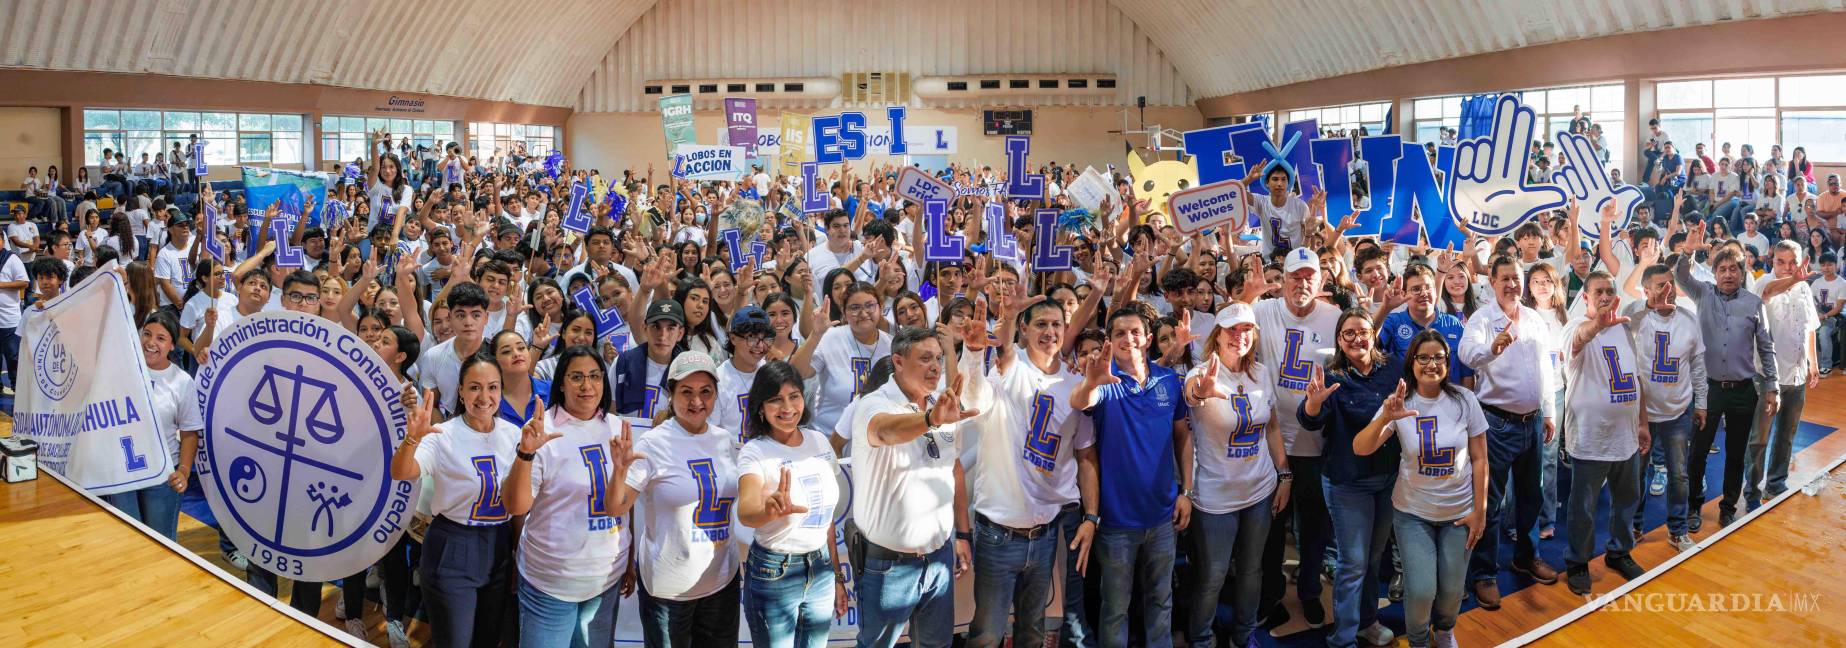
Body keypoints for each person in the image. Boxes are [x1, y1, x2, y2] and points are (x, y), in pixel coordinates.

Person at [960, 288, 1095, 648]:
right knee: (987, 634)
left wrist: (1091, 515)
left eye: (1056, 325)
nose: (1049, 331)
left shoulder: (1074, 381)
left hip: (1046, 531)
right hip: (998, 533)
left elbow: (1086, 449)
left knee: (1033, 632)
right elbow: (1003, 352)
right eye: (1040, 324)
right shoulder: (1009, 369)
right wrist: (1003, 321)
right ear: (1024, 330)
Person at [1351, 331, 1487, 648]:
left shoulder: (1465, 400)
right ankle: (1417, 641)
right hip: (1413, 512)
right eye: (1423, 357)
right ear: (1411, 362)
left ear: (1448, 362)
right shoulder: (1399, 402)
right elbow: (1361, 448)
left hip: (1459, 513)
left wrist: (1479, 510)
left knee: (1453, 589)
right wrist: (1385, 417)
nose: (1431, 364)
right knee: (1423, 589)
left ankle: (1444, 631)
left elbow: (1480, 458)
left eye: (1438, 357)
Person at [850, 326, 979, 648]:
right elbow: (885, 431)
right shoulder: (874, 403)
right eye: (925, 359)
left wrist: (963, 535)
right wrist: (930, 420)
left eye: (938, 358)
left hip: (939, 557)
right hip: (888, 564)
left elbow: (954, 470)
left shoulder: (942, 403)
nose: (935, 366)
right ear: (898, 361)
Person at [1072, 307, 1192, 648]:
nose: (1129, 338)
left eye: (1135, 332)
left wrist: (1187, 491)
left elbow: (1183, 436)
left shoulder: (1169, 380)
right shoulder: (1103, 381)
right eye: (1120, 333)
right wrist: (1091, 381)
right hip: (1116, 522)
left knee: (1161, 600)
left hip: (1163, 516)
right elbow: (1080, 400)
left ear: (1148, 339)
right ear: (1109, 341)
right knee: (1115, 608)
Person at [501, 346, 632, 648]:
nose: (587, 386)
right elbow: (516, 505)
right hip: (551, 582)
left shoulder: (617, 427)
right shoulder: (541, 430)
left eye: (595, 376)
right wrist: (525, 453)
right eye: (577, 377)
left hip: (605, 579)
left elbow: (628, 504)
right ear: (561, 383)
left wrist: (630, 558)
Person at [1237, 248, 1338, 627]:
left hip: (1316, 444)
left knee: (1314, 528)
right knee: (1271, 531)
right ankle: (1271, 595)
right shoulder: (1262, 310)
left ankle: (1310, 590)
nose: (1302, 283)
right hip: (1269, 444)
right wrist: (1248, 295)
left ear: (1321, 280)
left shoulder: (1334, 317)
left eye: (1309, 276)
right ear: (1283, 281)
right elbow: (1226, 329)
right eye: (1295, 276)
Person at [393, 354, 522, 647]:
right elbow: (401, 472)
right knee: (454, 641)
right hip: (452, 545)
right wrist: (412, 439)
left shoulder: (513, 434)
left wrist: (515, 553)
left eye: (492, 387)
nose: (484, 397)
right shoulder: (442, 435)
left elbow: (518, 503)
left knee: (488, 640)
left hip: (499, 546)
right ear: (461, 391)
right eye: (475, 387)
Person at [1182, 303, 1289, 648]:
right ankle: (1200, 639)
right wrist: (1201, 390)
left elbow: (1272, 427)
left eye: (1246, 330)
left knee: (1251, 570)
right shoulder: (1200, 373)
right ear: (1217, 335)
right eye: (1231, 329)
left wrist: (1284, 475)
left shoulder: (1262, 372)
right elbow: (1192, 393)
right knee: (1212, 576)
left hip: (1260, 490)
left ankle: (1244, 635)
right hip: (1215, 496)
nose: (1239, 336)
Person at [1457, 254, 1561, 609]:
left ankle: (1526, 557)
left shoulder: (1533, 318)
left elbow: (1545, 369)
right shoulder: (1482, 319)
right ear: (1492, 282)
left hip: (1533, 421)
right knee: (1490, 502)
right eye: (1505, 278)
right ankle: (1484, 573)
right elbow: (1466, 353)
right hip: (1497, 424)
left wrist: (1548, 411)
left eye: (1517, 278)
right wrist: (1492, 348)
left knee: (1532, 496)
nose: (1512, 284)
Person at [626, 351, 743, 646]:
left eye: (706, 392)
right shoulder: (652, 443)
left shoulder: (725, 440)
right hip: (668, 591)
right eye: (686, 392)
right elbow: (617, 507)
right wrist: (618, 472)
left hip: (722, 582)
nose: (696, 401)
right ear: (671, 393)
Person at [1300, 308, 1401, 648]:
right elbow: (1310, 421)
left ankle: (1367, 621)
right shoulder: (1332, 376)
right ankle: (1342, 638)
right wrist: (1313, 404)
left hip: (1387, 479)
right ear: (1340, 341)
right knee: (1353, 563)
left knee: (1372, 558)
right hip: (1347, 482)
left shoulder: (1393, 369)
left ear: (1373, 335)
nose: (1357, 339)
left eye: (1363, 332)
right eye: (1349, 334)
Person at [736, 360, 846, 648]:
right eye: (775, 399)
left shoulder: (819, 441)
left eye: (794, 396)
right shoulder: (755, 452)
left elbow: (827, 520)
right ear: (761, 407)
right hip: (775, 571)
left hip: (821, 568)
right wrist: (768, 510)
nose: (787, 407)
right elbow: (746, 511)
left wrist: (836, 576)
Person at [1675, 226, 1776, 530]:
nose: (1728, 274)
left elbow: (1766, 347)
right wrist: (1688, 250)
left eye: (1734, 269)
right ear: (1715, 273)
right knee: (1698, 452)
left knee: (1735, 453)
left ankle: (1728, 506)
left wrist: (1773, 387)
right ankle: (1694, 505)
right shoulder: (1703, 293)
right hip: (1708, 390)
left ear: (1742, 273)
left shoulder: (1754, 304)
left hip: (1744, 391)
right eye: (1723, 269)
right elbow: (1681, 275)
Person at [1560, 272, 1651, 594]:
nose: (1605, 296)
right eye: (1598, 291)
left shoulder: (1623, 329)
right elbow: (1578, 340)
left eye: (1610, 291)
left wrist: (1643, 422)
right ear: (1585, 297)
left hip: (1625, 435)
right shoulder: (1575, 326)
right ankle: (1578, 562)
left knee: (1627, 499)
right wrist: (1597, 325)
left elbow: (1635, 378)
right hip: (1590, 438)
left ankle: (1619, 552)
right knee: (1583, 507)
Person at [97, 312, 201, 541]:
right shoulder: (120, 370)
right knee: (127, 540)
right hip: (121, 472)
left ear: (172, 345)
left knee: (161, 542)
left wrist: (184, 471)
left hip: (162, 474)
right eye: (147, 334)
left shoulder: (182, 382)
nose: (151, 342)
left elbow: (190, 432)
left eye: (161, 338)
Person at [1628, 264, 1707, 552]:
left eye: (1670, 283)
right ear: (1646, 289)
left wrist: (1701, 403)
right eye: (1660, 285)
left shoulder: (1688, 318)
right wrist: (1650, 305)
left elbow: (1698, 365)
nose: (1668, 290)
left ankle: (1677, 530)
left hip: (1678, 411)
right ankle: (1634, 526)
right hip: (1642, 415)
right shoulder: (1637, 316)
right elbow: (1628, 318)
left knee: (1678, 474)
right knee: (1636, 474)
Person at [1747, 241, 1819, 506]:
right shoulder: (1763, 284)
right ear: (1772, 261)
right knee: (1759, 438)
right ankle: (1751, 491)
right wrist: (1794, 279)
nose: (1788, 267)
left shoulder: (1804, 288)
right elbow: (1768, 292)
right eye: (1781, 262)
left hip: (1797, 374)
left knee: (1786, 435)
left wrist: (1813, 364)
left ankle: (1776, 484)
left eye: (1793, 262)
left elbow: (1810, 328)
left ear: (1800, 261)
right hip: (1767, 378)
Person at [794, 281, 892, 433]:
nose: (863, 313)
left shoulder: (891, 346)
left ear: (881, 308)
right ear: (844, 312)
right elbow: (797, 372)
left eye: (870, 305)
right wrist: (816, 334)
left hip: (873, 437)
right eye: (855, 307)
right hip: (827, 435)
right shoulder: (830, 338)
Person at [714, 306, 774, 442]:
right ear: (733, 338)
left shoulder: (769, 372)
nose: (760, 346)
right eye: (752, 337)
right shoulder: (718, 380)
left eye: (764, 338)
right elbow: (712, 433)